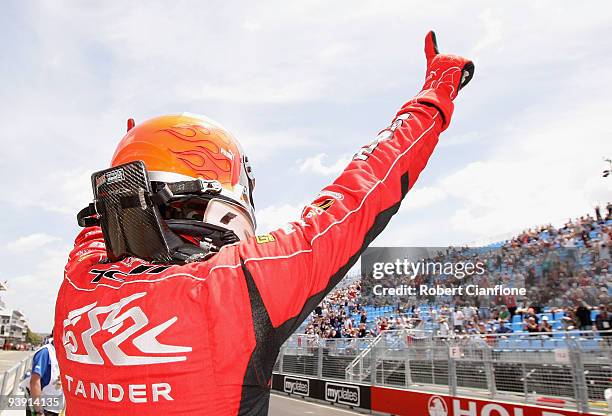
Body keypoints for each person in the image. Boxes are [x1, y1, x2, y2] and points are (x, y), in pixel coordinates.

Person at [54, 31, 474, 415]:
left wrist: (131, 155)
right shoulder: (234, 286)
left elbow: (102, 221)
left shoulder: (77, 284)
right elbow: (364, 189)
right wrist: (436, 93)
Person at [28, 337, 64, 415]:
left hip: (56, 407)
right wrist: (39, 411)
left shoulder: (63, 352)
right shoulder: (45, 352)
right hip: (44, 408)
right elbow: (34, 382)